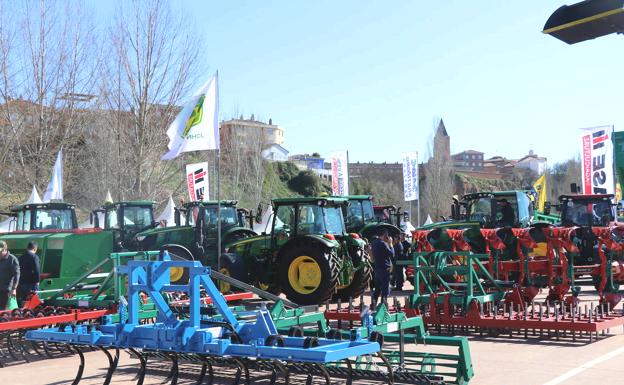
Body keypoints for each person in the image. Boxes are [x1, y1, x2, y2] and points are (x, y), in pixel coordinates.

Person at [371, 230, 394, 310]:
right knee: (385, 289)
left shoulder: (374, 243)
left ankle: (373, 305)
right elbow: (392, 254)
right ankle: (382, 307)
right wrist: (390, 244)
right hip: (384, 269)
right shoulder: (383, 244)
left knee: (377, 288)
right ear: (385, 235)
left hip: (377, 268)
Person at [17, 241, 40, 305]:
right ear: (35, 249)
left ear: (27, 248)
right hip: (32, 284)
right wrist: (37, 281)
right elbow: (36, 270)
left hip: (22, 284)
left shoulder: (21, 257)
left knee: (23, 303)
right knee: (33, 303)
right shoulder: (34, 257)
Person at [0, 241, 20, 310]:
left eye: (0, 251)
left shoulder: (12, 259)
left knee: (4, 310)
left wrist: (14, 289)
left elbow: (17, 274)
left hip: (6, 290)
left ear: (5, 249)